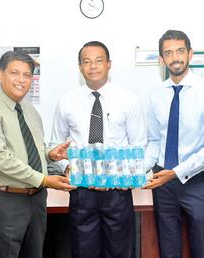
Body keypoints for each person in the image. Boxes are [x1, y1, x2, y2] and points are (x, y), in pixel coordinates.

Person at [0, 51, 75, 258]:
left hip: (35, 201)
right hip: (3, 202)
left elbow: (29, 150)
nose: (21, 80)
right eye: (15, 73)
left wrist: (49, 154)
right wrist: (44, 179)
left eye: (27, 75)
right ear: (0, 75)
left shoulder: (30, 111)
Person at [50, 41, 146, 258]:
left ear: (109, 64)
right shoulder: (67, 101)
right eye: (87, 61)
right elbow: (56, 145)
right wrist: (67, 168)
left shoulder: (128, 100)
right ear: (80, 67)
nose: (93, 66)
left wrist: (128, 177)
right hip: (82, 191)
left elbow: (139, 145)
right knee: (83, 251)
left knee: (120, 251)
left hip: (117, 191)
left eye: (98, 60)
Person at [143, 30, 204, 258]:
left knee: (202, 249)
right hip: (162, 183)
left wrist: (176, 172)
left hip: (197, 181)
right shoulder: (154, 95)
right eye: (168, 53)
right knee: (168, 250)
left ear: (190, 54)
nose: (175, 57)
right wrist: (136, 172)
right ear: (161, 59)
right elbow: (154, 142)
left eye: (180, 51)